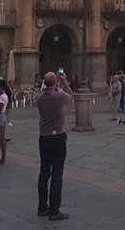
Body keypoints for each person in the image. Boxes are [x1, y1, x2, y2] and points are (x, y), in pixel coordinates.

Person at [36, 71, 72, 220]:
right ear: (55, 82)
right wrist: (64, 82)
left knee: (44, 173)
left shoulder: (39, 98)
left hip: (44, 138)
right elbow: (71, 96)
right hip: (58, 138)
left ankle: (42, 207)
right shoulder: (59, 96)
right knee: (57, 175)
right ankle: (54, 211)